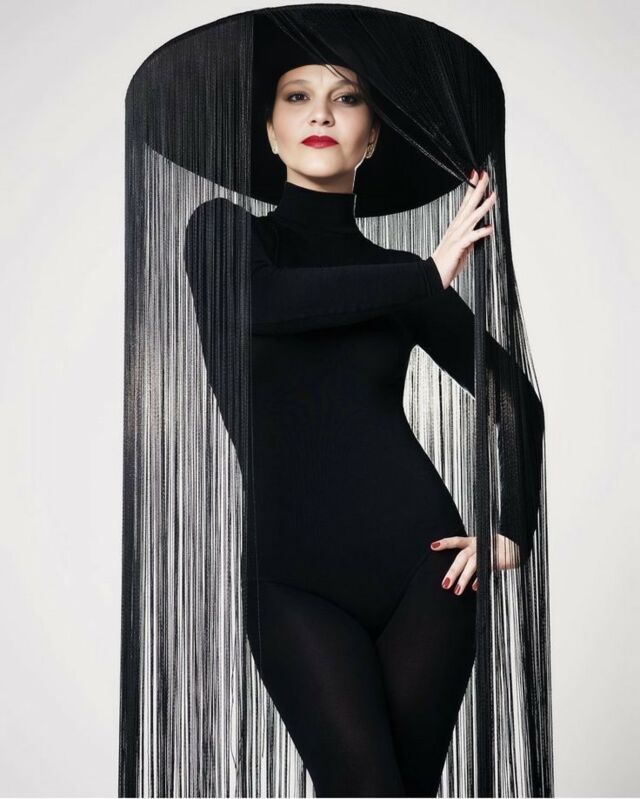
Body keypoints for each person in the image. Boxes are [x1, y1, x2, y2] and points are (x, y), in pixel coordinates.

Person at [186, 62, 523, 798]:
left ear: (372, 138)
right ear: (270, 133)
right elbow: (262, 304)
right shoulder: (223, 232)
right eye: (298, 98)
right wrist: (424, 276)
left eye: (347, 99)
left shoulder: (402, 274)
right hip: (292, 581)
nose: (322, 114)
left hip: (425, 570)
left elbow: (514, 399)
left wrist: (512, 529)